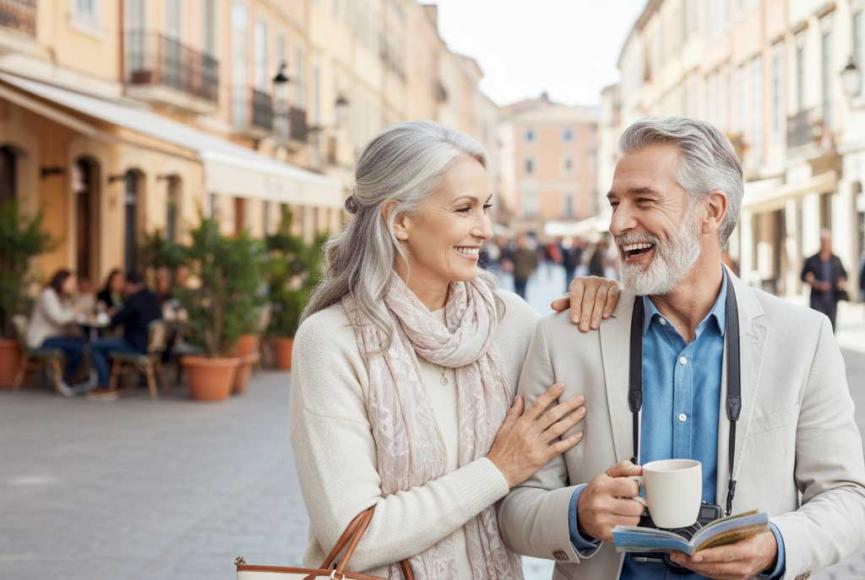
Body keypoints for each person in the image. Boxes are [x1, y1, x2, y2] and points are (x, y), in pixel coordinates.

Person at [499, 117, 865, 579]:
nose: (617, 223)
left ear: (711, 210)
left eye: (644, 201)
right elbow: (515, 510)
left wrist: (776, 545)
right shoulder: (564, 337)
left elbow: (847, 497)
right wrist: (577, 513)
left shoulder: (803, 338)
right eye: (615, 203)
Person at [290, 121, 621, 579]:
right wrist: (497, 470)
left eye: (485, 207)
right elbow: (355, 538)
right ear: (399, 220)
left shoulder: (510, 321)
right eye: (464, 209)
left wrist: (607, 302)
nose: (484, 229)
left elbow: (590, 410)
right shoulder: (332, 340)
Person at [89, 271, 162, 394]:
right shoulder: (152, 297)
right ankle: (117, 381)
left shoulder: (134, 299)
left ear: (130, 285)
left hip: (135, 345)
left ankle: (104, 385)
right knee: (109, 342)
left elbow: (116, 319)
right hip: (153, 347)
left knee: (95, 346)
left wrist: (112, 314)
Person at [26, 269, 90, 395]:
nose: (73, 286)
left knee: (82, 342)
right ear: (62, 281)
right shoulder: (48, 295)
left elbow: (67, 316)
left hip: (53, 337)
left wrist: (75, 310)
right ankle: (66, 381)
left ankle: (77, 379)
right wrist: (76, 310)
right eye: (71, 283)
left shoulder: (62, 296)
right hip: (41, 339)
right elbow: (58, 318)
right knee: (76, 347)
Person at [801, 230, 848, 331]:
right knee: (817, 328)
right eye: (824, 241)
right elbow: (803, 276)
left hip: (832, 299)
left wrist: (842, 282)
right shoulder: (811, 260)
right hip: (817, 300)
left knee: (831, 328)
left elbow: (844, 275)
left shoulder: (836, 260)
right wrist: (812, 281)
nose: (826, 244)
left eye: (828, 241)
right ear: (821, 242)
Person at [512, 233, 538, 300]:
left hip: (524, 274)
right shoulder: (515, 252)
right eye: (518, 241)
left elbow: (534, 262)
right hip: (516, 274)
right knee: (516, 292)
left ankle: (523, 304)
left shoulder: (530, 252)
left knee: (523, 292)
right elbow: (511, 261)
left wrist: (532, 270)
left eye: (521, 240)